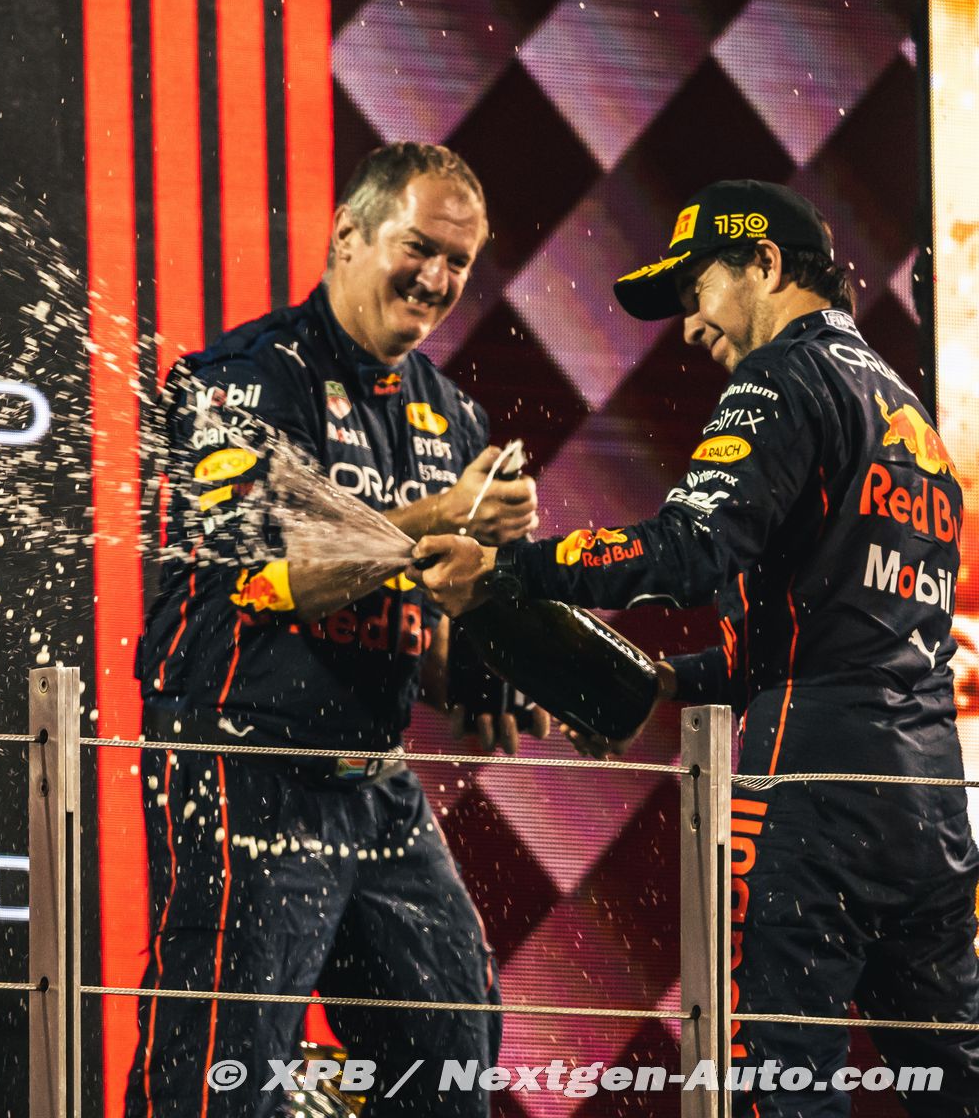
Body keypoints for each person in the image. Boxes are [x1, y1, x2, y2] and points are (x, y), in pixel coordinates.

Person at [416, 180, 979, 1115]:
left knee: (779, 1088)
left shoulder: (781, 378)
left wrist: (511, 569)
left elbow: (688, 551)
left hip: (809, 797)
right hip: (930, 804)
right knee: (958, 1084)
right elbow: (847, 638)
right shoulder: (905, 412)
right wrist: (667, 680)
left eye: (698, 289)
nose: (689, 325)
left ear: (765, 263)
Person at [125, 142, 545, 1118]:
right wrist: (444, 515)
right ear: (348, 234)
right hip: (245, 757)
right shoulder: (244, 379)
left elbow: (422, 620)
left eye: (459, 262)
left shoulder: (454, 415)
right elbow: (265, 582)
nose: (436, 278)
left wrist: (497, 661)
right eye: (419, 247)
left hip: (372, 774)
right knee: (223, 1070)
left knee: (451, 1050)